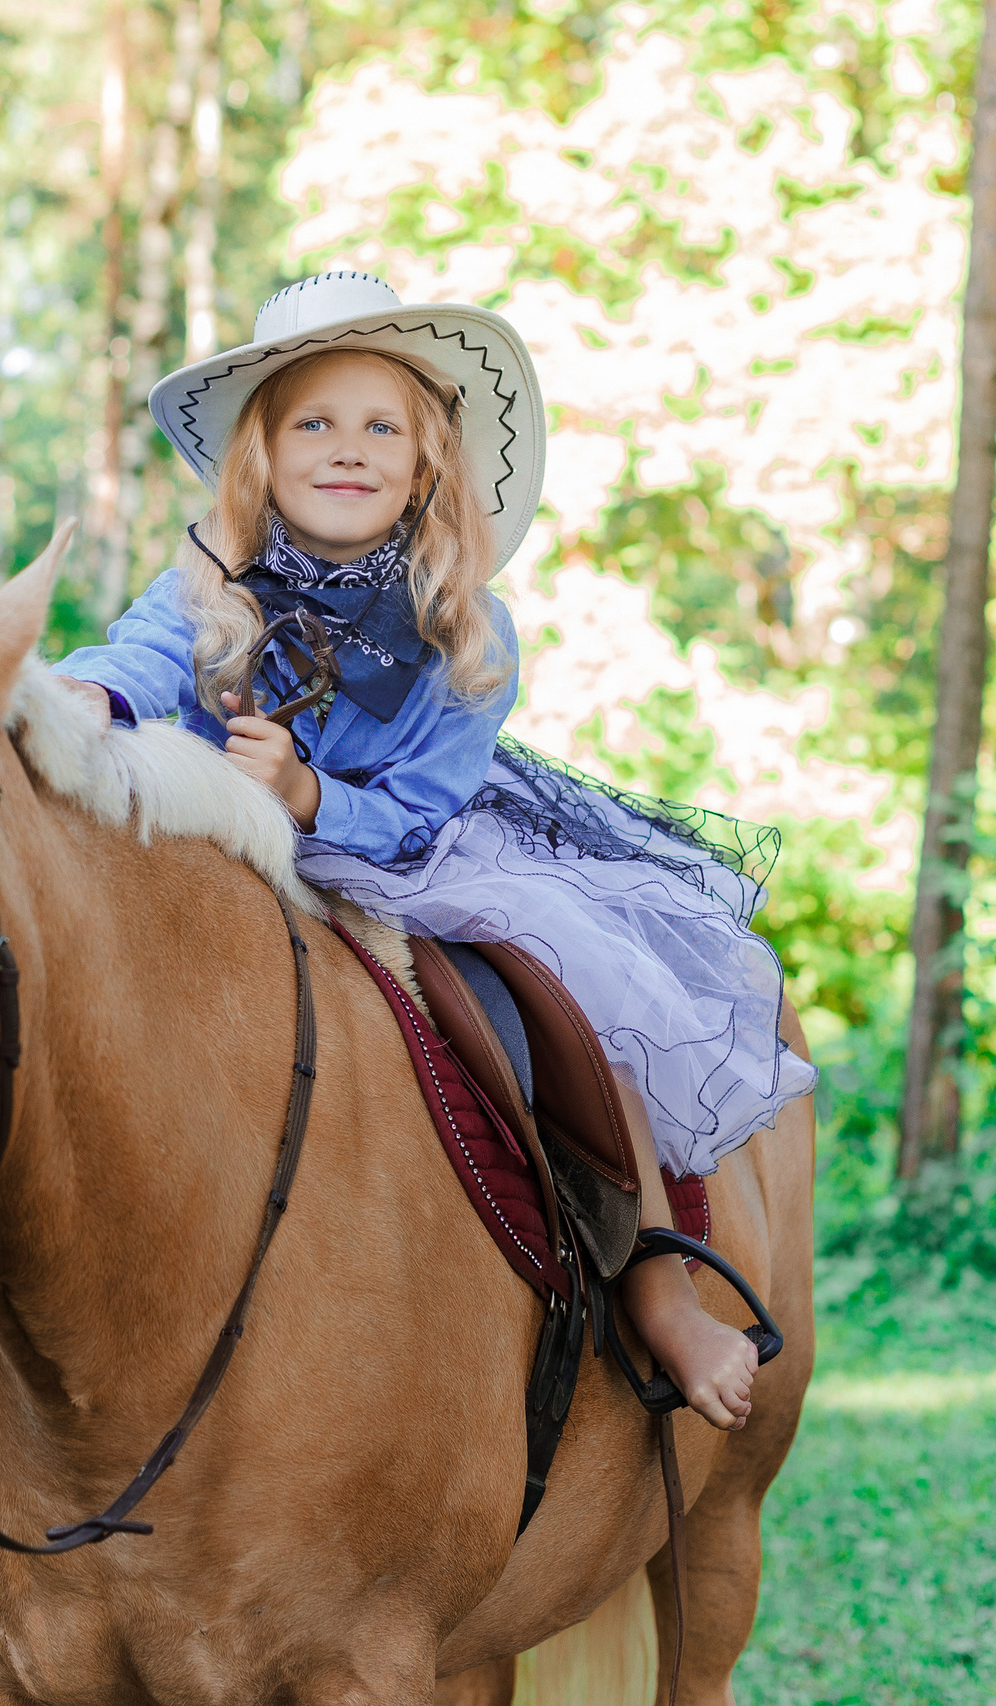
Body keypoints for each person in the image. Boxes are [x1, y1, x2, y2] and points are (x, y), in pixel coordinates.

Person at [56, 272, 816, 1432]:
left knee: (563, 1000)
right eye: (312, 420)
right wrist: (68, 708)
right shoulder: (202, 588)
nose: (346, 448)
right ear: (262, 453)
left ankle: (654, 1279)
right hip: (219, 851)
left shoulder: (462, 620)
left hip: (418, 852)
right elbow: (130, 664)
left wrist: (310, 791)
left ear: (425, 463)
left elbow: (420, 806)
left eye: (381, 427)